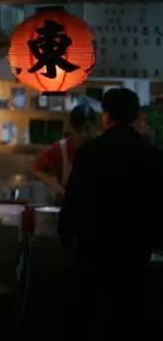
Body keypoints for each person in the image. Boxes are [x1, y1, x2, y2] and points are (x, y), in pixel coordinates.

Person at [59, 88, 163, 341]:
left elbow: (74, 199)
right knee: (126, 317)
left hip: (93, 248)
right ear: (136, 115)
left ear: (105, 116)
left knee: (90, 316)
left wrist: (65, 234)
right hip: (134, 250)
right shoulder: (152, 155)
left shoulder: (90, 151)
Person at [34, 104, 97, 201]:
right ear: (71, 128)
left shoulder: (103, 148)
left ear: (95, 127)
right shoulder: (61, 149)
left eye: (88, 130)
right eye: (79, 131)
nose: (84, 135)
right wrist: (55, 186)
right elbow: (38, 169)